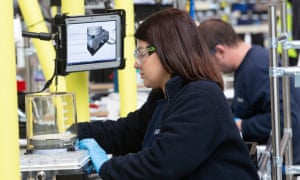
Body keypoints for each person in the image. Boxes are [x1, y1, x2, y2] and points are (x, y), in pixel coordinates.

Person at [77, 8, 259, 179]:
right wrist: (72, 133)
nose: (136, 64)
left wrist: (107, 167)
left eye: (141, 53)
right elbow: (127, 132)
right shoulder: (166, 95)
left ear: (168, 50)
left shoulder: (200, 98)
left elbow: (161, 164)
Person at [197, 18, 300, 164]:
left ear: (220, 51)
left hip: (286, 161)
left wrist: (241, 125)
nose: (212, 69)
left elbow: (286, 119)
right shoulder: (247, 65)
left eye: (209, 61)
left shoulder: (257, 68)